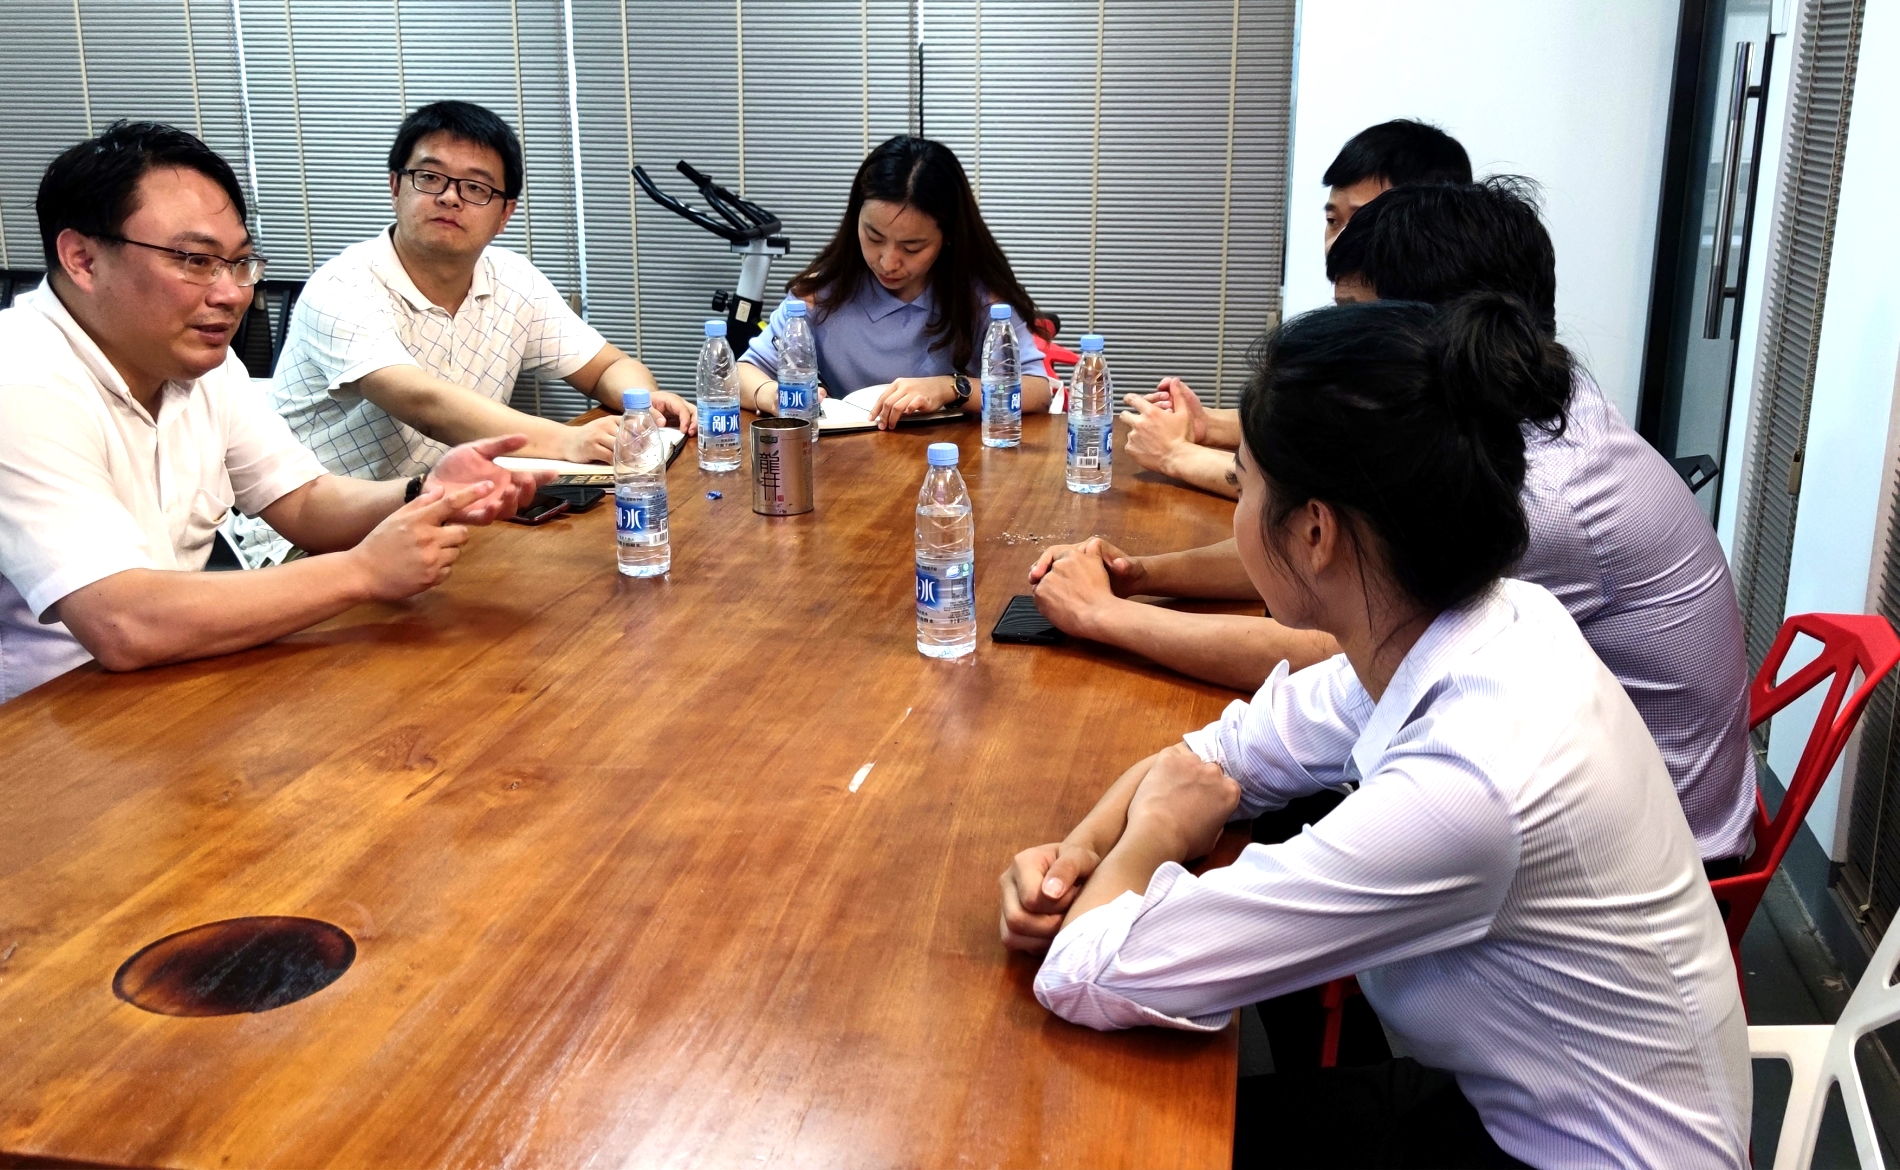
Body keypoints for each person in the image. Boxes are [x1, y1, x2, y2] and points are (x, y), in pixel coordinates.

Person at [1001, 297, 1752, 1169]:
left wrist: (1149, 841)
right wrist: (1078, 856)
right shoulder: (1484, 619)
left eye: (1244, 484)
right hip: (1514, 1100)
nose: (1237, 514)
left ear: (1315, 532)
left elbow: (1085, 972)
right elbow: (1222, 751)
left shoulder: (1472, 782)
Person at [1033, 178, 1757, 873]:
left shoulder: (1528, 495)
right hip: (1557, 804)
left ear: (1429, 337)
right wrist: (1143, 576)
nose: (1343, 348)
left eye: (1357, 322)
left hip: (1635, 856)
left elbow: (1331, 651)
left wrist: (1106, 617)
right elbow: (1309, 552)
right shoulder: (1523, 412)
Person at [0, 121, 544, 749]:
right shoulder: (5, 391)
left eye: (240, 263)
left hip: (153, 706)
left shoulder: (199, 364)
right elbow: (125, 624)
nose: (230, 293)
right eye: (194, 260)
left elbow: (303, 502)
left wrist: (424, 492)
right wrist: (364, 572)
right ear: (82, 258)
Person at [265, 100, 694, 489]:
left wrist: (641, 405)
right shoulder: (342, 286)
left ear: (505, 214)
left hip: (452, 510)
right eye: (430, 177)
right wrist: (569, 440)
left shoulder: (512, 278)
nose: (450, 197)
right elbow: (424, 404)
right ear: (395, 186)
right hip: (320, 529)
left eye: (475, 187)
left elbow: (608, 367)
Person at [1121, 118, 1473, 496]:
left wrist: (1176, 454)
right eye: (1333, 220)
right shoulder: (1372, 319)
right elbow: (1325, 427)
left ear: (1426, 221)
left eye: (1362, 222)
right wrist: (1207, 424)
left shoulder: (1443, 346)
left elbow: (1324, 490)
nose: (1338, 242)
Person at [737, 135, 1050, 429]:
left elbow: (1037, 390)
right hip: (846, 459)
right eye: (874, 237)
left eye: (912, 248)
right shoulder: (822, 295)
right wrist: (772, 395)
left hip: (953, 458)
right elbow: (741, 373)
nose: (888, 262)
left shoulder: (979, 298)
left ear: (948, 237)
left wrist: (952, 388)